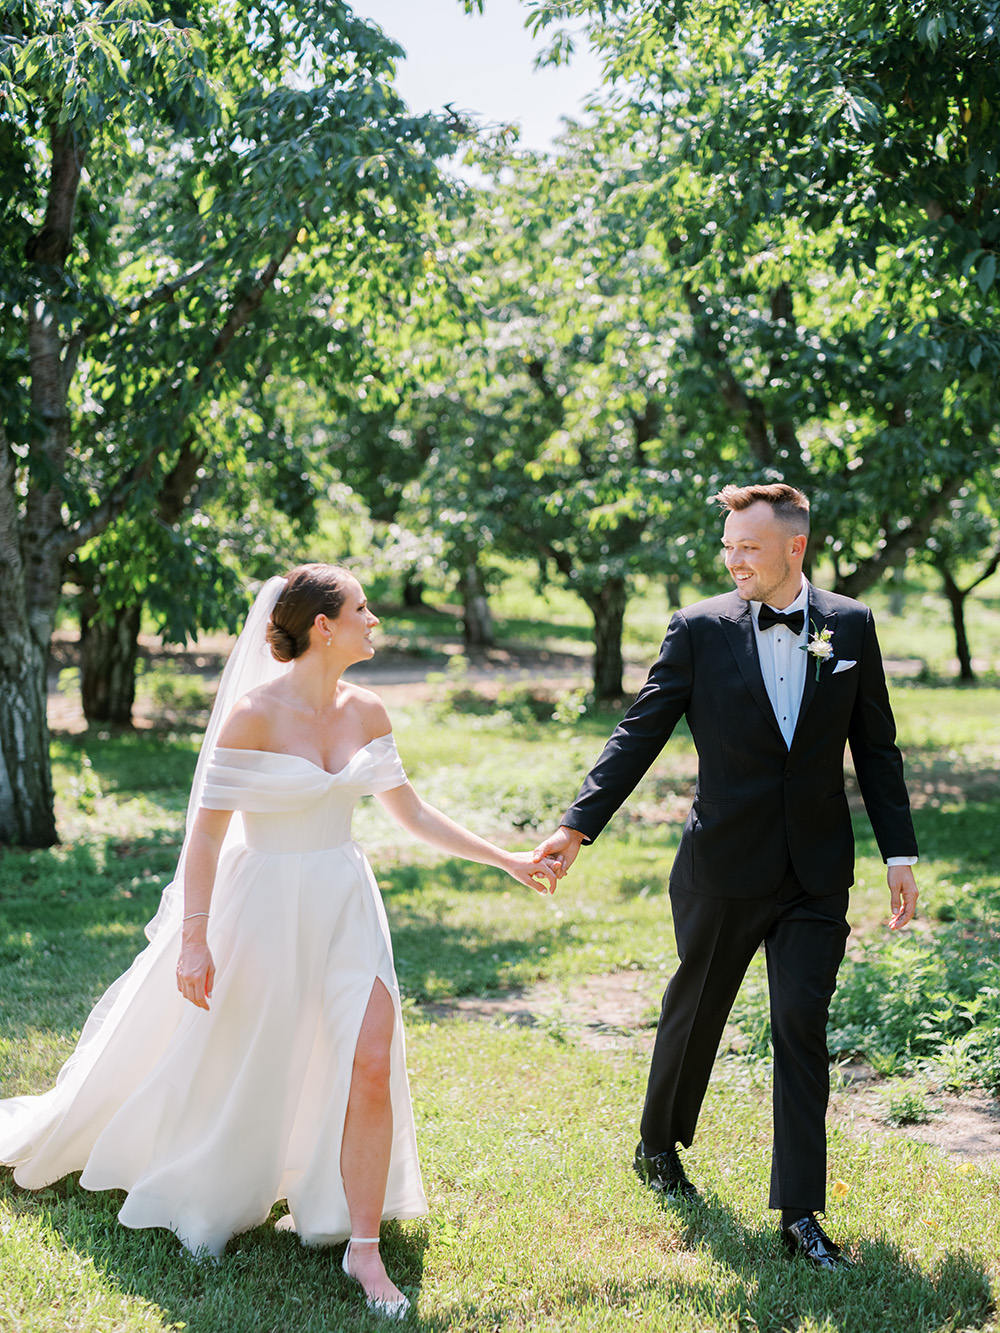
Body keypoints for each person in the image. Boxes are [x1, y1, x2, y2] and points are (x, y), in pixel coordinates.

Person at [0, 564, 557, 1318]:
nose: (375, 620)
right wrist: (193, 940)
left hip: (345, 902)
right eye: (363, 609)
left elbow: (413, 814)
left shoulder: (368, 710)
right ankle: (212, 1178)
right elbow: (204, 838)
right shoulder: (253, 716)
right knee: (246, 1059)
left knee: (368, 1058)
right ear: (323, 626)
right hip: (261, 903)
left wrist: (510, 859)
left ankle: (364, 1247)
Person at [533, 483, 918, 1271]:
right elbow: (640, 729)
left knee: (800, 1026)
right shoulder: (700, 628)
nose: (735, 559)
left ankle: (801, 1214)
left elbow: (874, 744)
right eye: (728, 547)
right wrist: (578, 826)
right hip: (723, 863)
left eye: (749, 545)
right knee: (696, 1008)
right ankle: (658, 1144)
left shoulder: (850, 624)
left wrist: (898, 853)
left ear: (794, 548)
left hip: (815, 872)